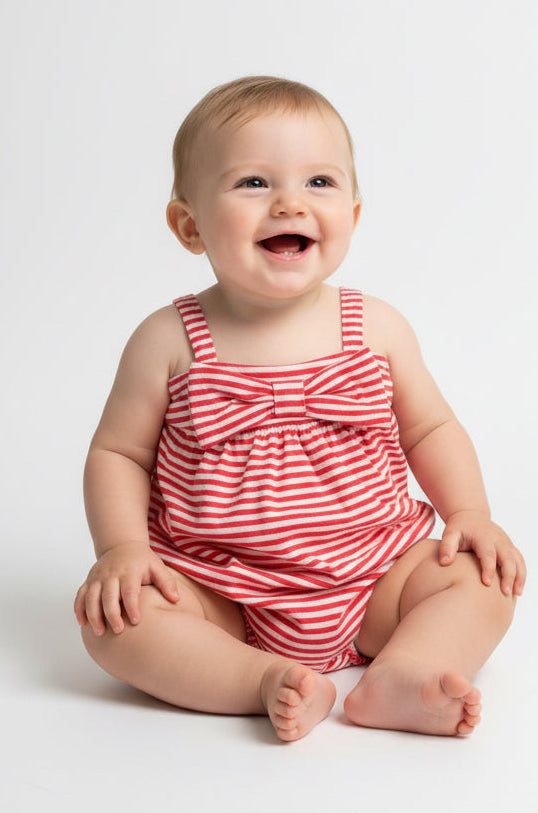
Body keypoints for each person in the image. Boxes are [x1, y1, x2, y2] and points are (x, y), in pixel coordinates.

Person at [74, 76, 526, 741]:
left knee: (483, 579)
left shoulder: (377, 328)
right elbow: (118, 453)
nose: (290, 201)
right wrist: (120, 548)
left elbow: (432, 426)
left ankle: (405, 670)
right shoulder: (167, 340)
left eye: (319, 182)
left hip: (375, 578)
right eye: (253, 182)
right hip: (221, 593)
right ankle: (256, 680)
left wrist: (470, 515)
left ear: (354, 213)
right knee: (114, 623)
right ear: (189, 224)